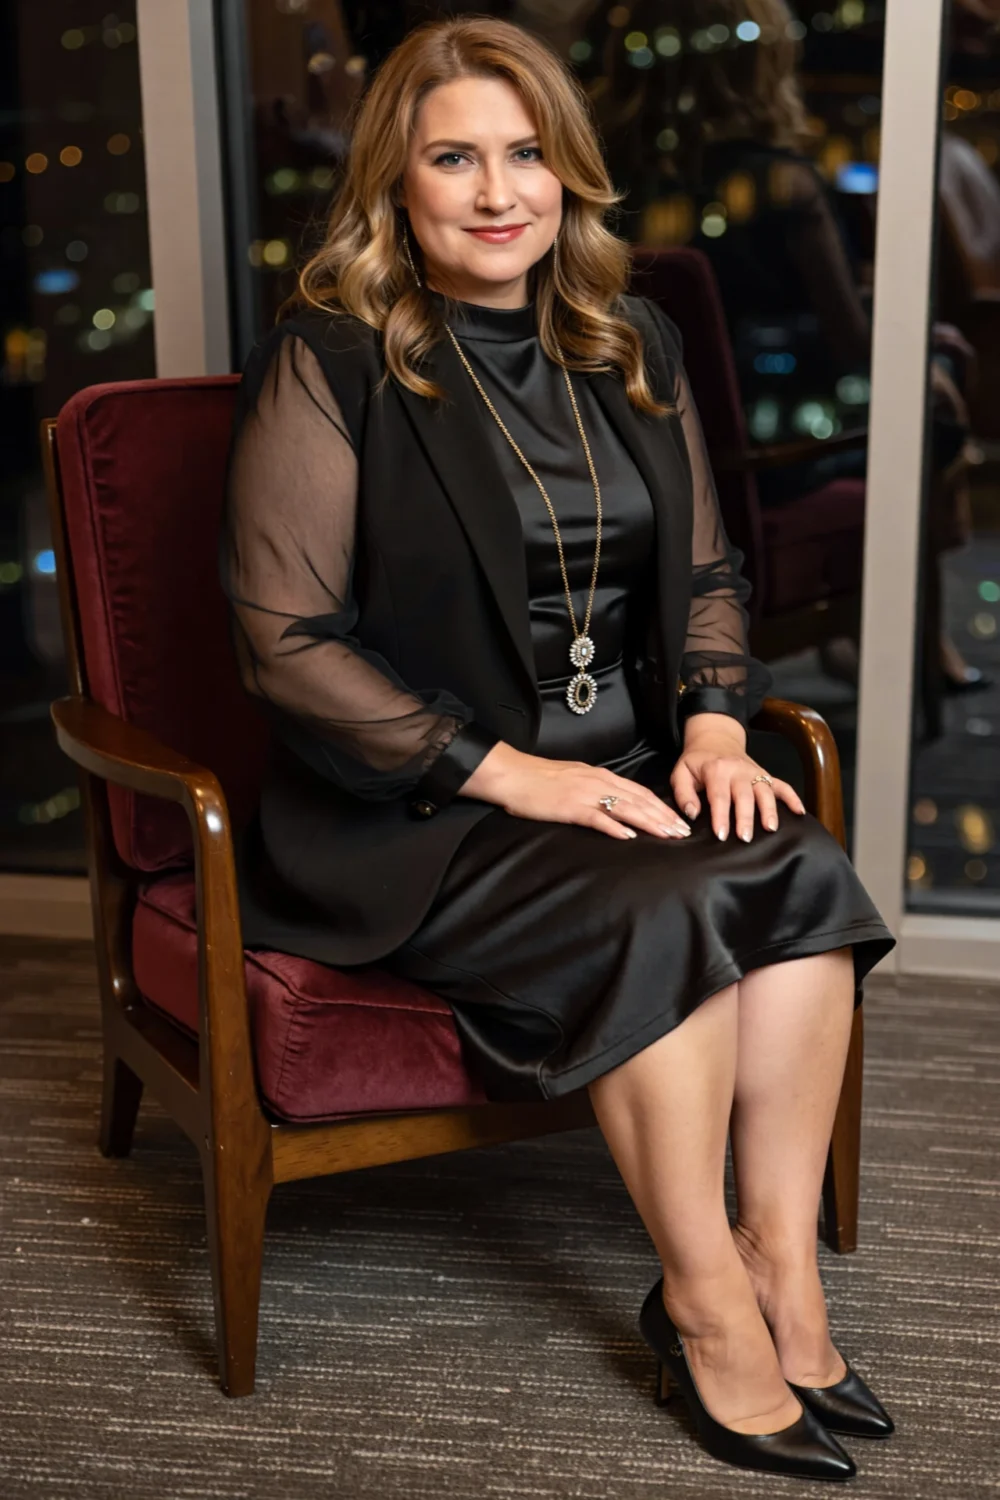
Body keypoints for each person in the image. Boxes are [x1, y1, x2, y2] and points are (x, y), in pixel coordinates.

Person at [219, 16, 896, 1482]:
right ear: (395, 180)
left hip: (625, 776)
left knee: (795, 872)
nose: (495, 192)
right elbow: (287, 641)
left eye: (524, 154)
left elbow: (710, 570)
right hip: (424, 814)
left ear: (568, 172)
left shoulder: (626, 338)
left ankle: (784, 1271)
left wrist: (711, 716)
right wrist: (509, 771)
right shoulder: (333, 359)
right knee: (668, 907)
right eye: (453, 157)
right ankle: (706, 1306)